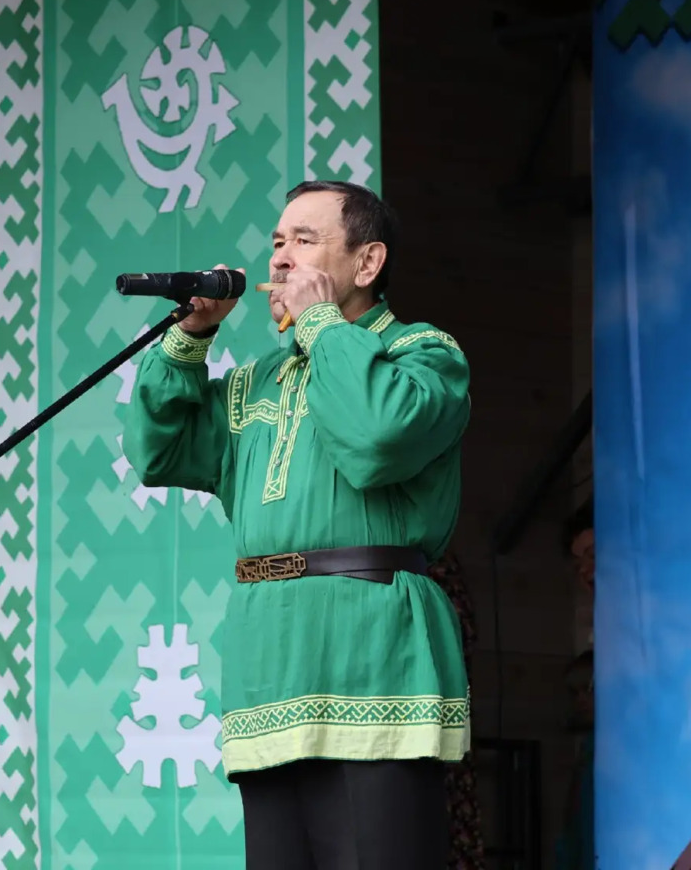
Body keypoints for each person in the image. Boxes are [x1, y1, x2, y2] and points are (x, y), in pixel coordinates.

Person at [122, 180, 472, 869]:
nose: (281, 259)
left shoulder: (423, 354)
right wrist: (192, 336)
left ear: (367, 263)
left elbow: (376, 436)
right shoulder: (258, 381)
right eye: (278, 243)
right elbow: (158, 453)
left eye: (305, 241)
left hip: (373, 653)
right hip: (269, 661)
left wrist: (320, 325)